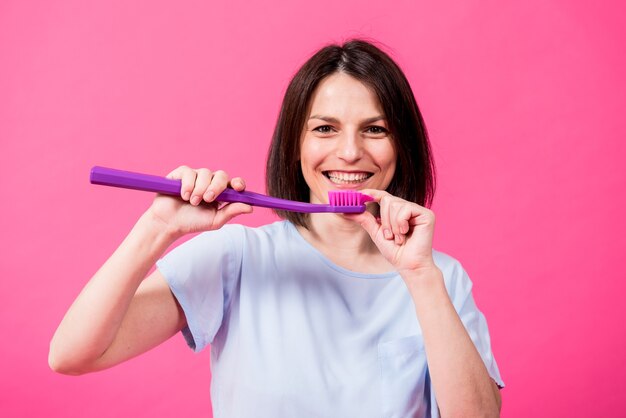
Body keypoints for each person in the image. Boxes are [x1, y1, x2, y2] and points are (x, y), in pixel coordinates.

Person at [49, 39, 504, 417]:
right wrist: (157, 228)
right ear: (295, 144)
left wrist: (421, 277)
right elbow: (72, 355)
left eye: (375, 129)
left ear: (402, 146)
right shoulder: (238, 257)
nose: (349, 152)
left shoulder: (439, 278)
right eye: (325, 129)